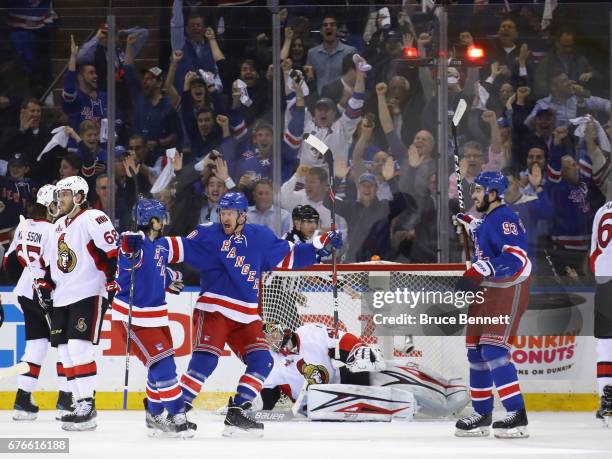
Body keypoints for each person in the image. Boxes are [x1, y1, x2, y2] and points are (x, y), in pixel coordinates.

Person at [166, 191, 342, 437]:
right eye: (222, 213)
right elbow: (173, 247)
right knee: (206, 360)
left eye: (230, 213)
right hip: (214, 309)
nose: (225, 218)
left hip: (247, 315)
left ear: (242, 215)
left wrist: (320, 245)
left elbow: (291, 257)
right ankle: (175, 412)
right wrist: (152, 256)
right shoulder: (208, 234)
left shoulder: (261, 238)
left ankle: (239, 410)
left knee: (263, 360)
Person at [36, 175, 119, 431]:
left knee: (78, 346)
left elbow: (112, 251)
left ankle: (87, 404)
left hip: (88, 292)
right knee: (64, 352)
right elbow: (52, 263)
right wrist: (46, 284)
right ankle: (77, 402)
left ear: (79, 197)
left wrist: (114, 279)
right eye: (59, 194)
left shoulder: (93, 218)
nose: (60, 199)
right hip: (62, 296)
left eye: (65, 194)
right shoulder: (59, 224)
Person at [453, 171, 531, 439]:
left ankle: (516, 413)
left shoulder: (506, 218)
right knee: (475, 353)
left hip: (508, 287)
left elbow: (516, 257)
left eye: (478, 190)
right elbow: (490, 245)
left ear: (494, 194)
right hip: (487, 288)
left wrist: (481, 267)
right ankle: (482, 413)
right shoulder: (489, 220)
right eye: (473, 190)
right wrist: (473, 228)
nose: (474, 195)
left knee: (493, 351)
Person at [259, 322, 469, 419]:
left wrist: (357, 350)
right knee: (394, 395)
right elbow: (266, 398)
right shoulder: (271, 364)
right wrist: (248, 405)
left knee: (383, 368)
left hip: (338, 382)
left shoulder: (308, 333)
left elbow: (341, 338)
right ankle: (439, 407)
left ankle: (446, 386)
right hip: (316, 405)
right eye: (269, 339)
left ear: (283, 330)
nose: (274, 340)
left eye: (275, 334)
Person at [111, 198, 194, 437]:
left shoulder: (159, 245)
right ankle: (177, 415)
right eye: (162, 217)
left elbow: (156, 270)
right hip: (133, 319)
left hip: (156, 317)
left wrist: (172, 276)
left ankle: (155, 415)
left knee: (158, 366)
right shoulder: (133, 245)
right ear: (154, 221)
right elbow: (128, 265)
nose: (165, 222)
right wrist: (127, 249)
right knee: (162, 365)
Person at [2, 185, 72, 421]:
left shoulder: (22, 227)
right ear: (50, 205)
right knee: (65, 345)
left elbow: (8, 262)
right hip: (48, 294)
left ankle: (23, 399)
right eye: (57, 203)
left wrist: (24, 282)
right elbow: (57, 266)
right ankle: (65, 400)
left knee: (36, 345)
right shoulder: (54, 230)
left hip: (25, 292)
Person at [589, 200, 612, 425]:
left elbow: (593, 254)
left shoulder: (602, 209)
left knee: (606, 344)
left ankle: (607, 401)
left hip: (605, 283)